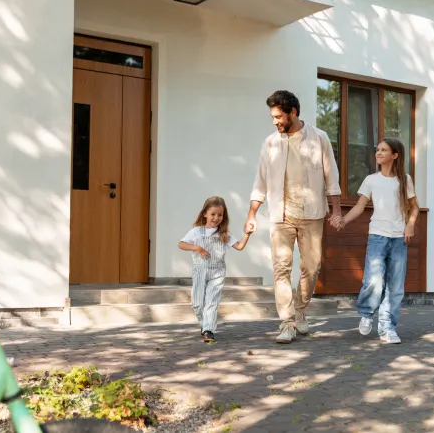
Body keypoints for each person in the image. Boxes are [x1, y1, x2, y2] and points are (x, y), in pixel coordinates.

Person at [246, 90, 342, 344]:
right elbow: (260, 181)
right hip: (281, 216)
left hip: (312, 214)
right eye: (273, 117)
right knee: (281, 270)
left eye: (279, 116)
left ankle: (299, 310)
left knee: (312, 268)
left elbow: (331, 176)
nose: (275, 121)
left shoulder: (319, 138)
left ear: (293, 112)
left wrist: (337, 210)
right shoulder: (270, 143)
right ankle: (286, 322)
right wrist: (252, 214)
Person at [337, 138, 419, 344]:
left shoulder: (405, 180)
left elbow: (415, 207)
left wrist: (410, 225)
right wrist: (344, 220)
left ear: (395, 155)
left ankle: (388, 328)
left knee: (396, 286)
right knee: (374, 281)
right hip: (377, 237)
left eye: (384, 150)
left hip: (399, 238)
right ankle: (366, 314)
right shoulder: (371, 180)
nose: (379, 153)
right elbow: (359, 206)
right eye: (378, 150)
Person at [179, 196, 251, 343]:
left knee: (212, 301)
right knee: (197, 303)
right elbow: (181, 244)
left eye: (220, 215)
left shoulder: (224, 235)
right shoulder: (196, 232)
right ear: (205, 213)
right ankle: (204, 324)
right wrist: (196, 247)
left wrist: (247, 234)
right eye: (213, 214)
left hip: (217, 272)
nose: (216, 218)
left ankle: (208, 330)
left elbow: (240, 246)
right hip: (200, 271)